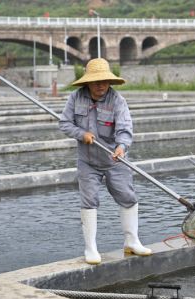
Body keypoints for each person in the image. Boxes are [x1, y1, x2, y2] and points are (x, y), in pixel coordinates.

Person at [59, 58, 152, 265]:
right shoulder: (76, 98)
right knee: (89, 200)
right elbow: (64, 123)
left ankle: (132, 241)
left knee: (127, 196)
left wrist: (121, 147)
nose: (101, 85)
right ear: (88, 83)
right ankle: (90, 247)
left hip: (114, 158)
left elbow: (125, 129)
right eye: (96, 81)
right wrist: (81, 133)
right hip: (88, 161)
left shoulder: (117, 100)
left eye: (104, 81)